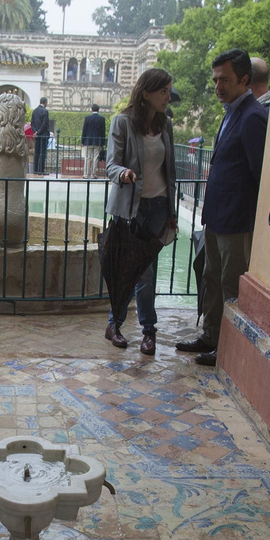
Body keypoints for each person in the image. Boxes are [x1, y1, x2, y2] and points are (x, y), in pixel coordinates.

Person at [177, 48, 267, 367]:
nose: (218, 86)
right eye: (215, 80)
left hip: (236, 220)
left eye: (225, 79)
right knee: (211, 278)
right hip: (216, 217)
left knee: (230, 286)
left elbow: (259, 175)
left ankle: (226, 348)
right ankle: (210, 336)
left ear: (244, 79)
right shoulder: (231, 111)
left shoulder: (254, 116)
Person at [103, 68, 177, 356]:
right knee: (127, 270)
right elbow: (111, 165)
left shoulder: (166, 125)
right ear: (146, 93)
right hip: (130, 206)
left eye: (169, 91)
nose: (168, 97)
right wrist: (124, 174)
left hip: (158, 206)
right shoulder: (122, 122)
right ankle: (119, 325)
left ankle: (145, 331)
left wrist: (171, 210)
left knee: (146, 271)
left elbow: (169, 172)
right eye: (164, 92)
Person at [80, 104, 106, 177]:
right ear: (98, 110)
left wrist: (83, 141)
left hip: (88, 141)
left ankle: (85, 174)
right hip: (97, 142)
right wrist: (103, 143)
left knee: (87, 157)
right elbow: (103, 131)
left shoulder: (87, 118)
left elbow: (84, 130)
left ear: (92, 109)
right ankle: (93, 174)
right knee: (95, 158)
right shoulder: (102, 119)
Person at [31, 96, 50, 174]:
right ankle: (41, 170)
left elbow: (32, 123)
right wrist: (38, 132)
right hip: (43, 135)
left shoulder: (34, 111)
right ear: (45, 103)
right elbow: (45, 124)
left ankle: (35, 170)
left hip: (37, 136)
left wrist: (35, 131)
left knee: (37, 153)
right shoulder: (45, 111)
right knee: (42, 153)